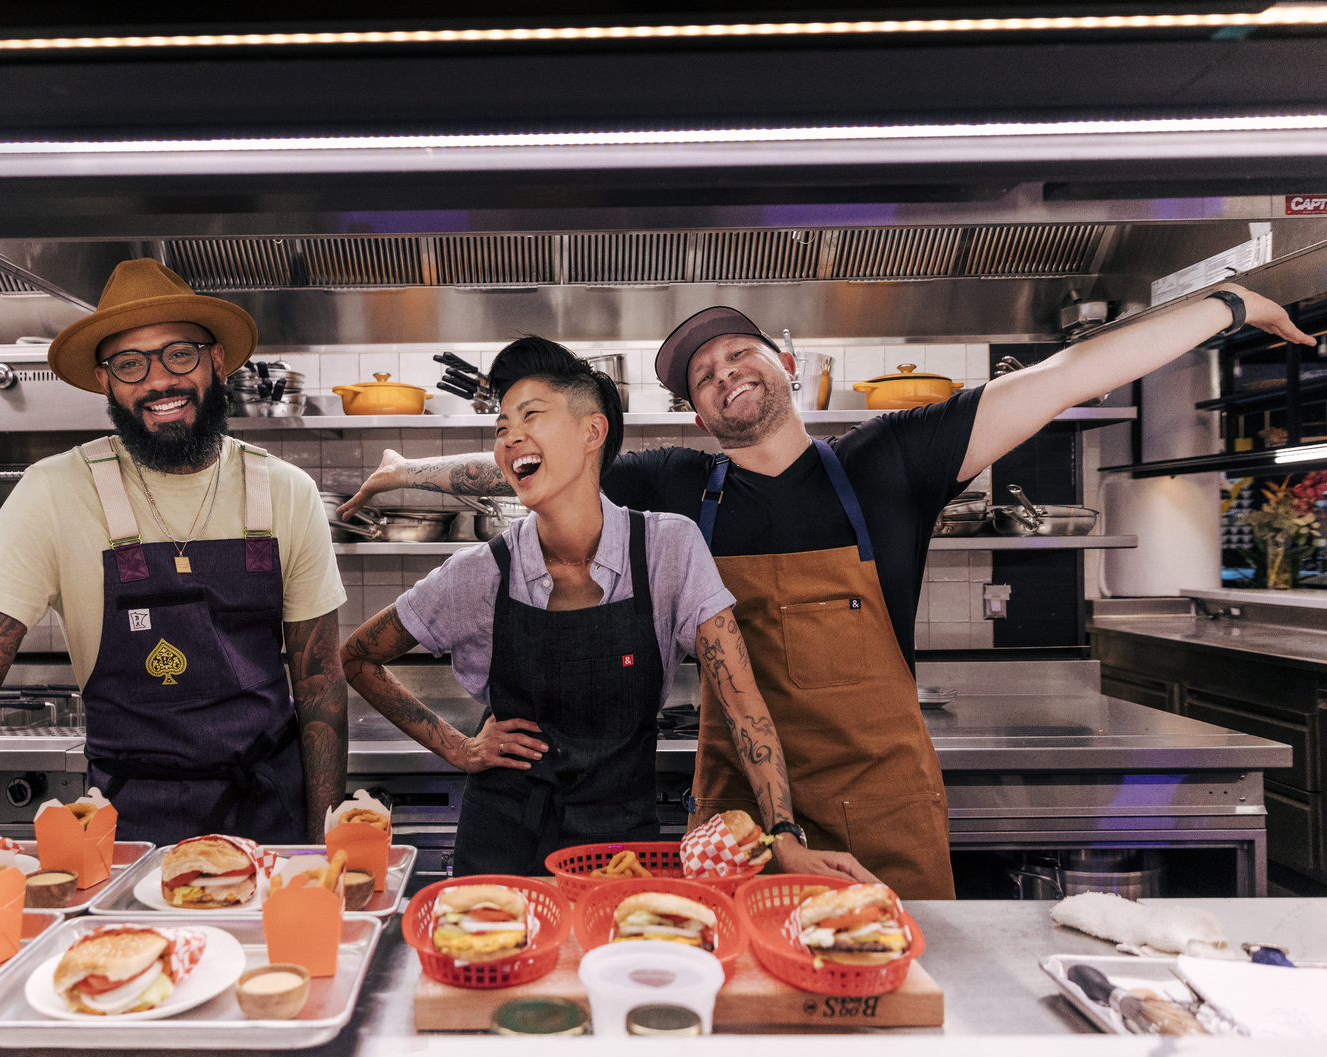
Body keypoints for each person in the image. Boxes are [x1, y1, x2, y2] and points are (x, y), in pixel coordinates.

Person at [336, 283, 1312, 898]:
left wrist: (1222, 304)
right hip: (738, 819)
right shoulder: (676, 485)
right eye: (703, 377)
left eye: (738, 354)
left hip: (883, 805)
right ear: (695, 410)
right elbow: (525, 466)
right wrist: (398, 471)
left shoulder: (894, 458)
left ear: (789, 364)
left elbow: (1063, 377)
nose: (724, 376)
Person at [0, 259, 348, 878]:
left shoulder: (286, 491)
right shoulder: (55, 490)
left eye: (179, 353)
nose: (158, 380)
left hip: (267, 817)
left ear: (217, 361)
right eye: (130, 364)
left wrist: (321, 850)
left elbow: (318, 681)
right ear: (105, 381)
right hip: (124, 829)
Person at [341, 337, 873, 880]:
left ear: (592, 432)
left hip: (621, 848)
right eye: (501, 427)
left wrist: (784, 834)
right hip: (502, 844)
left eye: (530, 416)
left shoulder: (670, 548)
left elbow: (743, 705)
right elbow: (356, 657)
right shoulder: (479, 572)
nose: (509, 438)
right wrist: (458, 748)